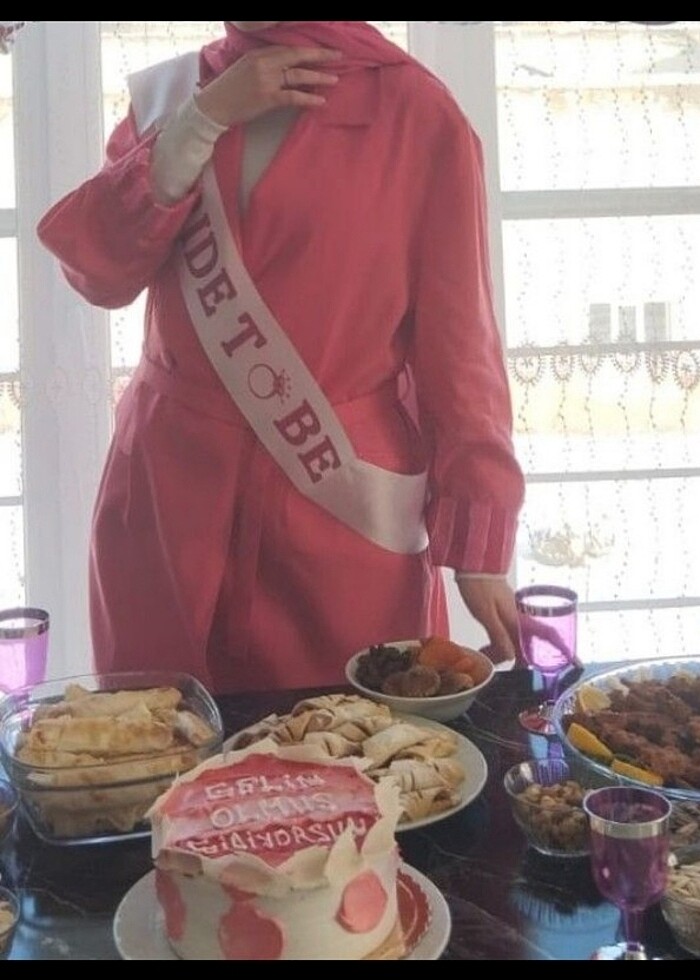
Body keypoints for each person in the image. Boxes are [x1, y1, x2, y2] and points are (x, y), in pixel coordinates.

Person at [38, 20, 526, 694]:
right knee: (149, 738)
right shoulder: (175, 96)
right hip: (167, 497)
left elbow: (461, 345)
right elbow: (99, 273)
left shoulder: (417, 114)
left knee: (348, 744)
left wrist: (480, 543)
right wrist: (202, 120)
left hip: (338, 497)